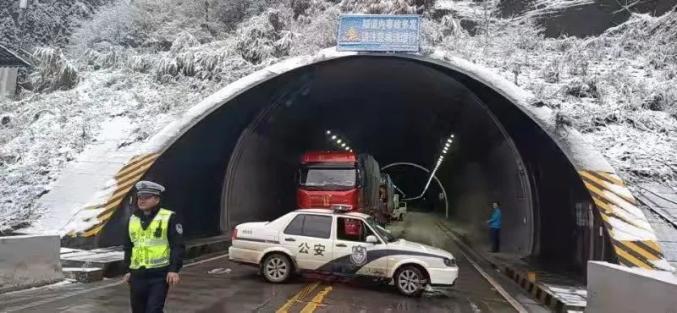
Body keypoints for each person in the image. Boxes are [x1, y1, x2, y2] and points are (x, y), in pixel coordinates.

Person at [123, 180, 185, 313]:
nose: (141, 201)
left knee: (153, 310)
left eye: (146, 197)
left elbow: (177, 245)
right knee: (138, 310)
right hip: (137, 275)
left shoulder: (169, 217)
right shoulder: (132, 219)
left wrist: (174, 269)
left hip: (159, 275)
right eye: (140, 197)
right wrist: (127, 270)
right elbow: (128, 247)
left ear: (156, 199)